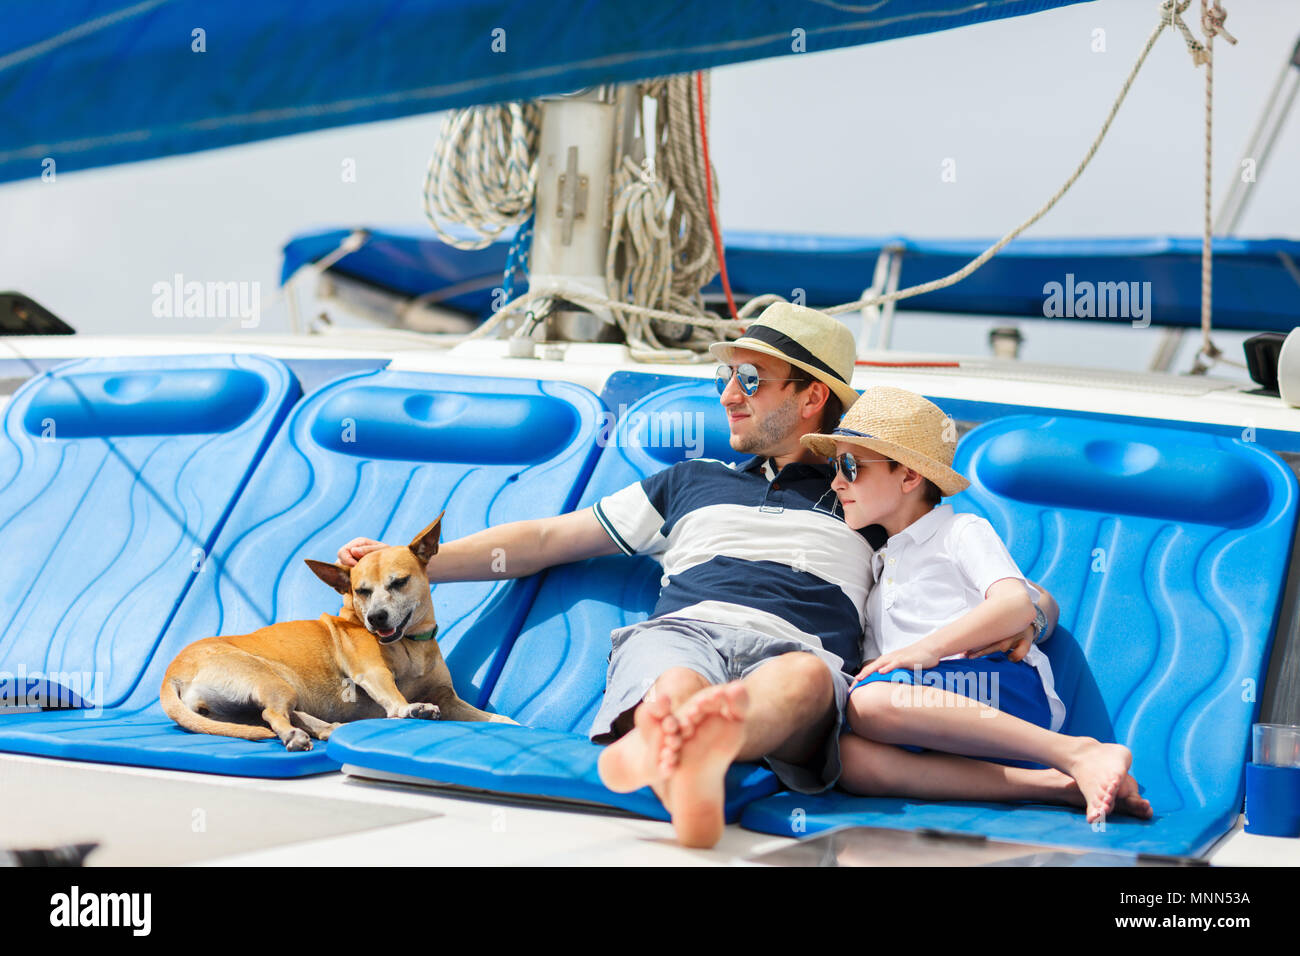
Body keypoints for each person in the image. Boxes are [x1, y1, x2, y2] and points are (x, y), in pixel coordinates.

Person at [338, 303, 1053, 847]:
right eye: (723, 378)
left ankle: (685, 741)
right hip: (686, 628)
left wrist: (1030, 620)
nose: (728, 394)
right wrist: (405, 567)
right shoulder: (690, 482)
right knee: (672, 667)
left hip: (802, 651)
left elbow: (992, 576)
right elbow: (550, 538)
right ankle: (685, 737)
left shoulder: (864, 494)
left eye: (748, 379)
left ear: (811, 398)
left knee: (802, 680)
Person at [798, 386, 1152, 823]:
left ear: (909, 477)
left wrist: (926, 650)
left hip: (996, 688)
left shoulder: (960, 531)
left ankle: (1075, 751)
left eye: (851, 465)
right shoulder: (881, 558)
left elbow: (1017, 603)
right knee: (849, 759)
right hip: (921, 710)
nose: (836, 481)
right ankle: (1058, 786)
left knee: (869, 705)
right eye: (835, 466)